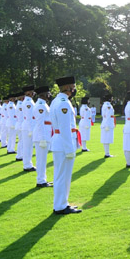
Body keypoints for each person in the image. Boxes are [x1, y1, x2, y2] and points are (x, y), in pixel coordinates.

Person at [49, 76, 82, 214]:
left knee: (62, 176)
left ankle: (62, 203)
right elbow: (64, 128)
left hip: (60, 142)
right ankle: (60, 206)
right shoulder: (63, 103)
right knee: (63, 176)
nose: (74, 89)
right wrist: (70, 149)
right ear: (66, 87)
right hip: (63, 143)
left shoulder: (59, 100)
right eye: (72, 87)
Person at [31, 85, 54, 188]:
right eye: (48, 93)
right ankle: (40, 181)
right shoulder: (41, 105)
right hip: (42, 136)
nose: (49, 95)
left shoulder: (43, 104)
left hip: (45, 134)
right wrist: (42, 138)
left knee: (42, 159)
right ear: (43, 94)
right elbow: (40, 123)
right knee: (41, 159)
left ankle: (43, 179)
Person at [18, 85, 36, 172]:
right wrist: (30, 129)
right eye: (31, 92)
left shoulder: (29, 101)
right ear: (27, 93)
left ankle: (28, 164)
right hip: (28, 126)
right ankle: (27, 165)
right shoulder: (28, 102)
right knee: (27, 147)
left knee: (28, 147)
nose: (33, 93)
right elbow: (29, 116)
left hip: (28, 125)